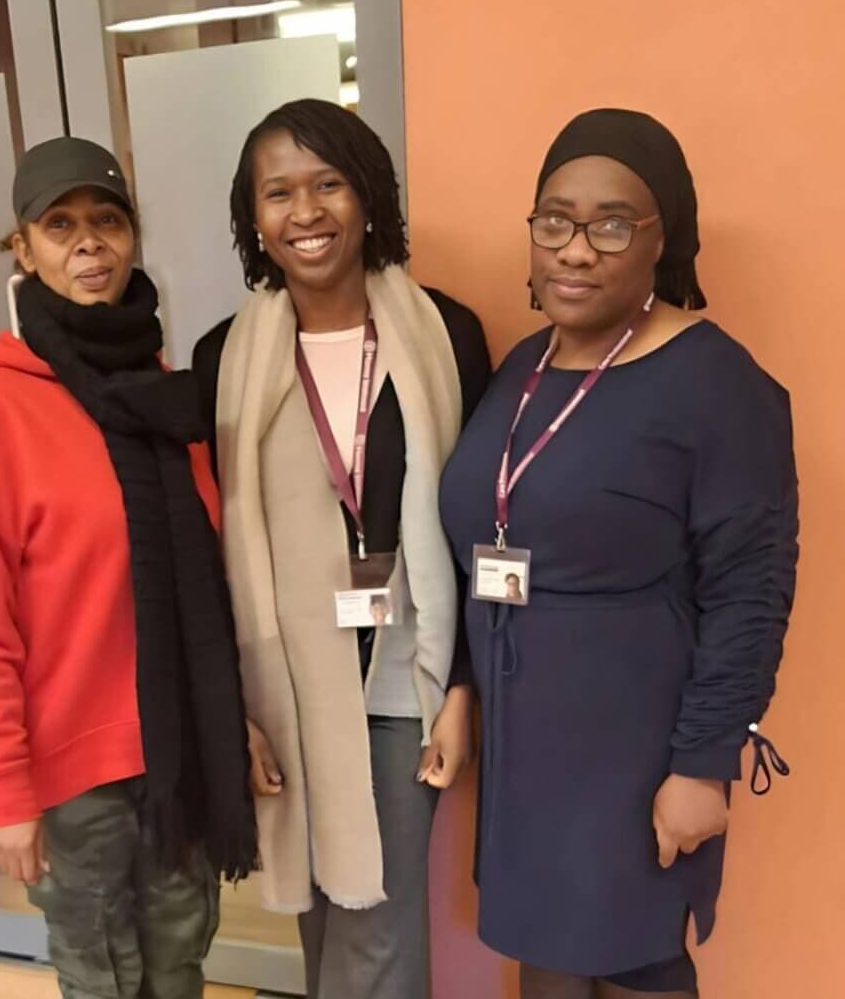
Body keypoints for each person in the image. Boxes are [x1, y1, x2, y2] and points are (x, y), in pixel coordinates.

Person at [440, 109, 798, 999]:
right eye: (554, 220)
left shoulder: (716, 383)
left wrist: (703, 761)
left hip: (634, 743)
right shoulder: (521, 367)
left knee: (635, 958)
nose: (574, 249)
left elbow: (750, 591)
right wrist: (461, 689)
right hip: (525, 742)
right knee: (547, 962)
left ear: (659, 239)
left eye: (609, 225)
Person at [0, 137, 256, 999]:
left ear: (133, 237)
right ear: (23, 248)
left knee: (180, 965)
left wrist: (237, 721)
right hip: (74, 781)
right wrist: (5, 791)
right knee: (105, 981)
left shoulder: (164, 391)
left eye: (108, 220)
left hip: (178, 750)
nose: (89, 241)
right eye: (59, 223)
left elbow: (212, 589)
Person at [192, 99, 491, 999]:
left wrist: (465, 684)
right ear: (254, 217)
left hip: (408, 667)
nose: (306, 212)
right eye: (278, 193)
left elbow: (478, 523)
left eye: (327, 183)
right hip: (282, 678)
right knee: (321, 917)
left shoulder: (447, 333)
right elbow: (208, 546)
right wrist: (229, 712)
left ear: (366, 195)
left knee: (377, 920)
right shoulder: (222, 358)